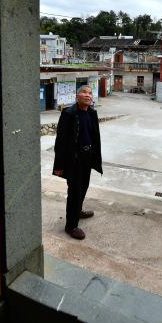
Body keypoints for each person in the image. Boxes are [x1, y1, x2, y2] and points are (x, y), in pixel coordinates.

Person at [53, 85, 102, 240]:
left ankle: (78, 211)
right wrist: (59, 165)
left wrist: (95, 158)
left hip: (87, 158)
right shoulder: (69, 114)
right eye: (84, 92)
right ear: (77, 96)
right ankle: (71, 226)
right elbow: (61, 141)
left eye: (90, 93)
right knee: (74, 192)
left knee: (84, 187)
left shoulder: (92, 113)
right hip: (74, 160)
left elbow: (95, 137)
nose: (87, 95)